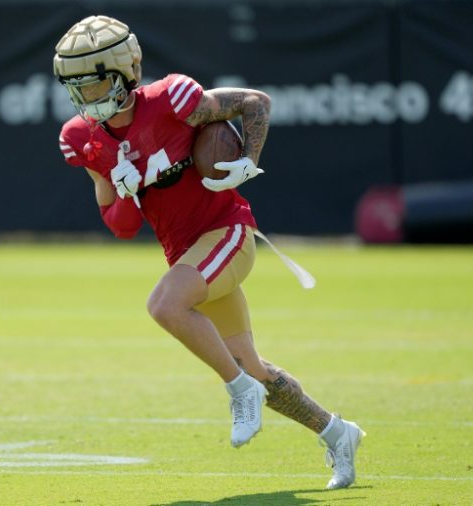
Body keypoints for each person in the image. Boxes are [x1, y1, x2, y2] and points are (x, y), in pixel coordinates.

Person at [54, 15, 365, 490]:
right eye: (77, 88)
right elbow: (122, 226)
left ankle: (239, 394)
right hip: (185, 252)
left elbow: (254, 104)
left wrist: (248, 161)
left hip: (227, 232)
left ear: (125, 73)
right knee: (251, 365)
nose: (85, 99)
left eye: (94, 85)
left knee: (164, 305)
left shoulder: (170, 99)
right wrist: (119, 187)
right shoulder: (83, 139)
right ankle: (337, 432)